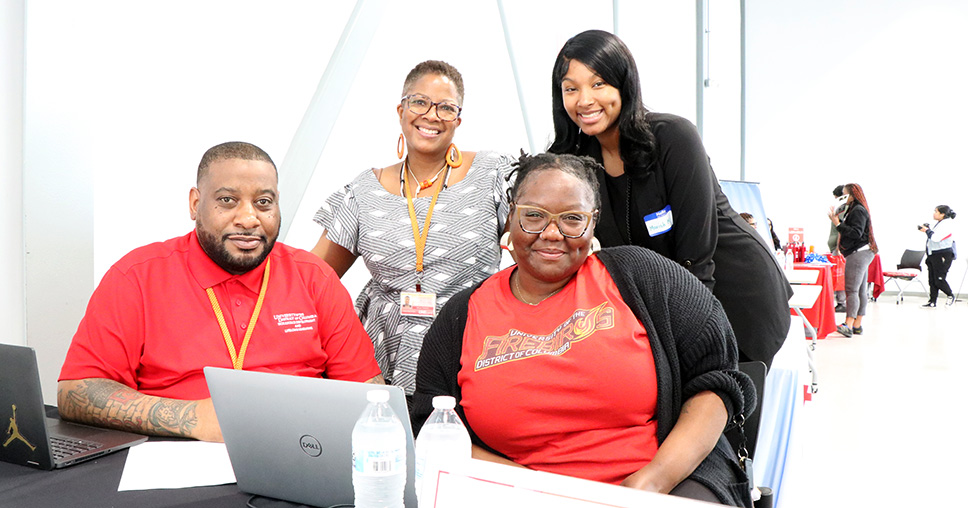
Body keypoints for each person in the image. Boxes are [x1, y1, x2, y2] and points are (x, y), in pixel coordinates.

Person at [412, 153, 755, 507]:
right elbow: (431, 427)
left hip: (659, 484)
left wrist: (653, 481)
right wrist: (531, 490)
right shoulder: (463, 315)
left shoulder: (644, 277)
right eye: (534, 216)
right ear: (510, 214)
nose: (550, 233)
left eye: (572, 219)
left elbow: (718, 381)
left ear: (593, 223)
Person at [58, 142, 383, 442]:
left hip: (296, 453)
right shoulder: (136, 276)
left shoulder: (315, 278)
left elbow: (369, 395)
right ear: (195, 204)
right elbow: (77, 392)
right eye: (227, 200)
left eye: (263, 202)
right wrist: (190, 418)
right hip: (170, 454)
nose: (248, 218)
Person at [548, 29, 792, 369]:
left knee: (722, 408)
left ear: (624, 84)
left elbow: (698, 256)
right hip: (660, 310)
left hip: (735, 294)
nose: (584, 100)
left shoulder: (672, 137)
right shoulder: (572, 161)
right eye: (571, 89)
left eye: (599, 83)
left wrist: (696, 342)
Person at [312, 60, 515, 396]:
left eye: (446, 107)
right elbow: (314, 279)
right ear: (401, 109)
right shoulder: (363, 191)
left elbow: (535, 251)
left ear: (458, 120)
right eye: (420, 102)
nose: (431, 115)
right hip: (380, 354)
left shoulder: (494, 175)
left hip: (468, 344)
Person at [827, 183, 877, 336]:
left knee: (852, 289)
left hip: (858, 253)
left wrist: (837, 224)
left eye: (844, 195)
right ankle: (857, 324)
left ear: (852, 195)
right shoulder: (854, 209)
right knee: (860, 289)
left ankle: (848, 324)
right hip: (861, 252)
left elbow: (855, 233)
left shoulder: (858, 210)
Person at [918, 205, 957, 307]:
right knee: (932, 279)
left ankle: (950, 295)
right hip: (933, 254)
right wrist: (928, 229)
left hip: (943, 255)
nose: (934, 213)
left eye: (936, 211)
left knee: (939, 279)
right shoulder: (940, 224)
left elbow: (936, 238)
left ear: (942, 214)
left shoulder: (947, 224)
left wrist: (927, 231)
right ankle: (932, 301)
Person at [827, 185, 848, 313]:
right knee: (838, 274)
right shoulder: (841, 209)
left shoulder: (843, 209)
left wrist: (838, 247)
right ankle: (841, 301)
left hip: (837, 247)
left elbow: (841, 229)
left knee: (839, 274)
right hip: (835, 246)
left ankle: (842, 302)